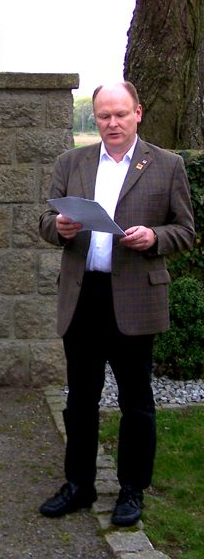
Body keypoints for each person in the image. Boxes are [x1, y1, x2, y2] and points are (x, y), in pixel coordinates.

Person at [38, 81, 195, 526]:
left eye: (120, 114)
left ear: (137, 113)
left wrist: (155, 237)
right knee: (80, 400)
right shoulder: (71, 161)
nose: (112, 123)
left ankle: (131, 490)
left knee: (137, 401)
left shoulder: (167, 165)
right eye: (104, 115)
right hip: (82, 296)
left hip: (135, 297)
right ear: (96, 118)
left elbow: (185, 230)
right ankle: (79, 485)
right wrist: (58, 227)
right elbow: (45, 221)